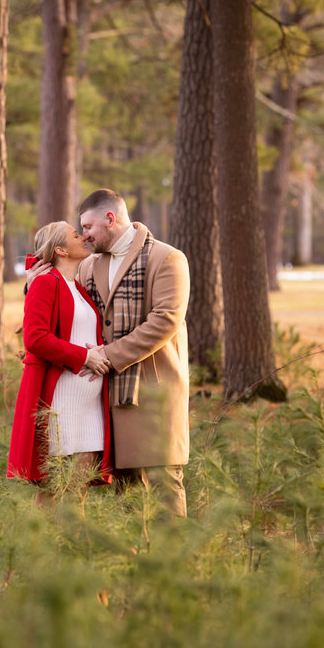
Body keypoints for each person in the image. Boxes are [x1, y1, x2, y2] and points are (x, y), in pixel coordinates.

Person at [74, 189, 191, 516]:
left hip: (153, 396)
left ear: (110, 219)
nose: (84, 235)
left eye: (87, 226)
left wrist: (108, 355)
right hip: (109, 399)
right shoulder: (88, 266)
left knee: (165, 489)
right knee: (126, 497)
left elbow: (165, 320)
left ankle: (178, 564)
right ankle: (134, 563)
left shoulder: (167, 258)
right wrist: (34, 281)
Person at [7, 221, 114, 499]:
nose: (84, 237)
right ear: (61, 250)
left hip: (90, 408)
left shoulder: (78, 288)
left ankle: (74, 543)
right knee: (53, 494)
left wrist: (99, 352)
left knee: (78, 493)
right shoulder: (45, 282)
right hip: (59, 405)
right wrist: (85, 357)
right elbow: (35, 339)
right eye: (76, 235)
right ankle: (42, 543)